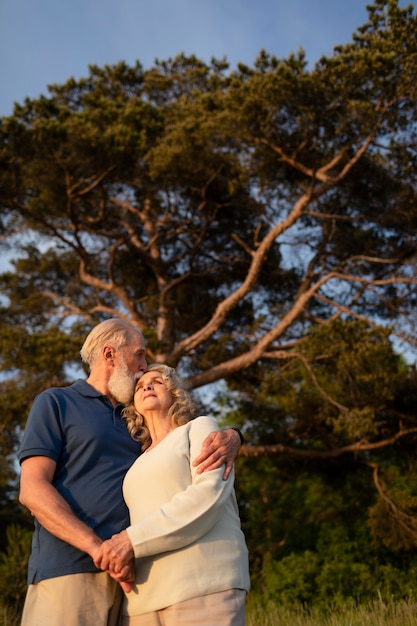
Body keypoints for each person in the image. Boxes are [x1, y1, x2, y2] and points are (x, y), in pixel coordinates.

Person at [18, 319, 243, 626]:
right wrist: (101, 549)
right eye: (138, 354)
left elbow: (179, 448)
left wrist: (234, 435)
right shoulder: (57, 402)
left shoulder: (134, 423)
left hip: (134, 582)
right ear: (110, 355)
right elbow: (32, 490)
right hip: (70, 570)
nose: (143, 365)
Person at [95, 363, 250, 626]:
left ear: (175, 393)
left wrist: (129, 541)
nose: (147, 385)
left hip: (204, 585)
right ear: (133, 405)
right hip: (142, 598)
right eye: (141, 385)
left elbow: (206, 495)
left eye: (157, 381)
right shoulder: (135, 464)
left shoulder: (199, 428)